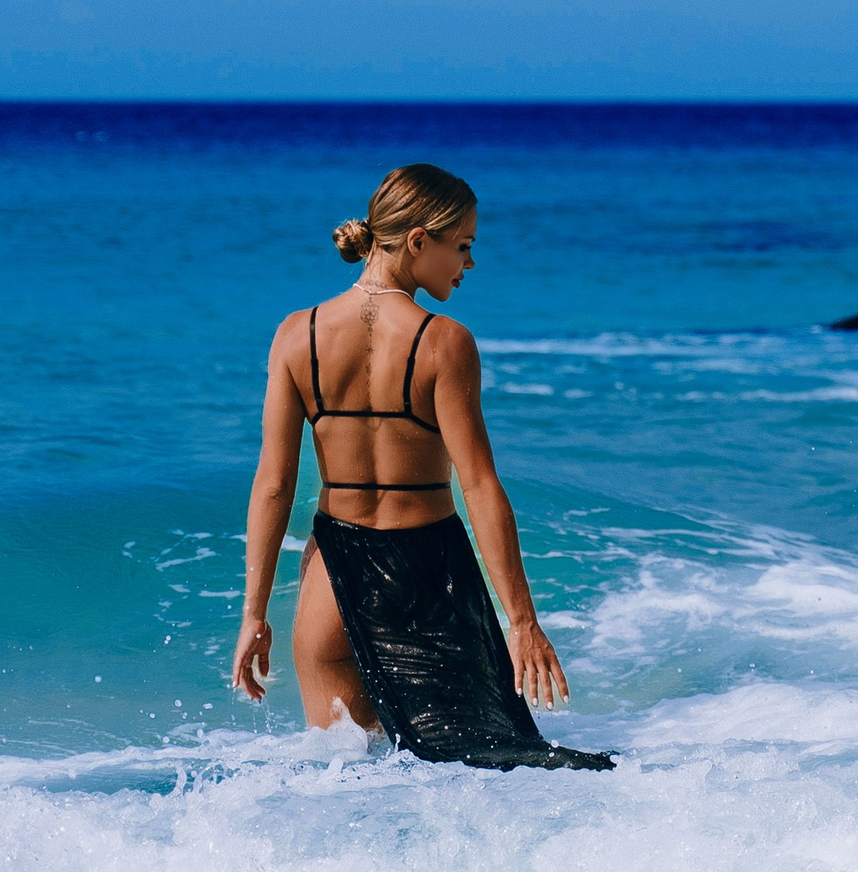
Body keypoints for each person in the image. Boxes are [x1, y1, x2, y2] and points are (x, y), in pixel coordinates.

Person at [230, 161, 613, 770]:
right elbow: (480, 485)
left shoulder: (294, 335)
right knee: (492, 769)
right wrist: (522, 622)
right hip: (430, 583)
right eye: (461, 246)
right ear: (418, 241)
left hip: (333, 581)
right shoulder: (444, 342)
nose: (468, 264)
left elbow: (274, 486)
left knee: (345, 779)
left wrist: (254, 614)